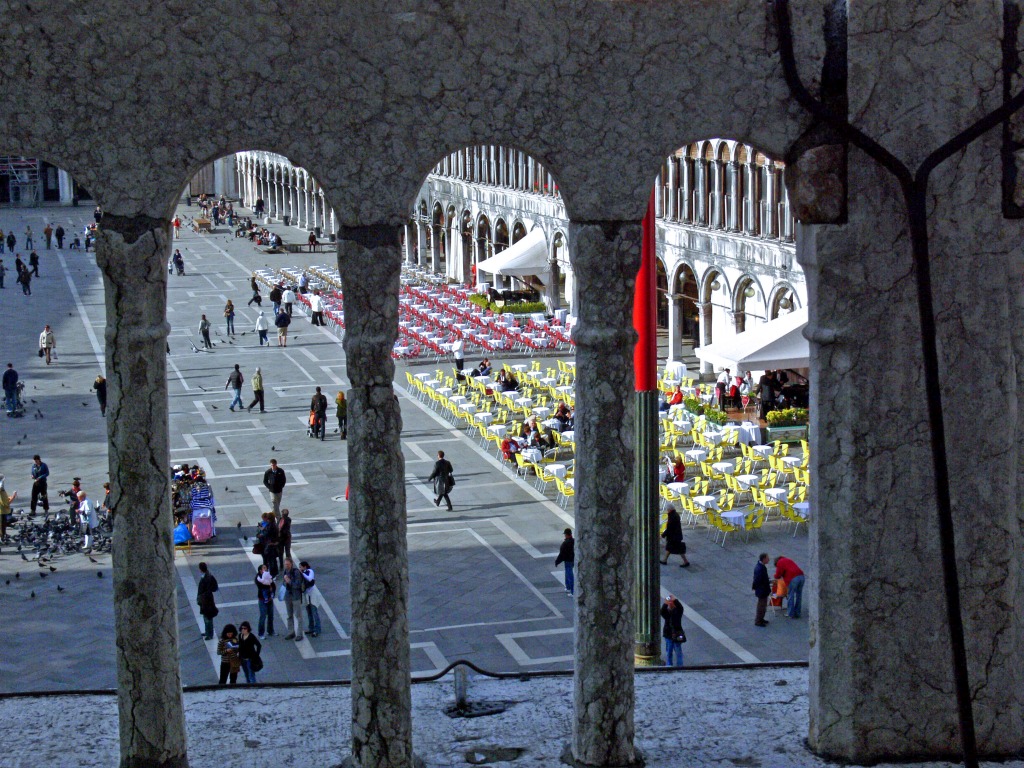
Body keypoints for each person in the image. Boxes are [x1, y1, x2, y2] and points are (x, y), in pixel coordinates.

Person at [773, 555, 806, 619]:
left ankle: (790, 613)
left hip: (793, 579)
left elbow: (778, 575)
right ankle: (798, 613)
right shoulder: (787, 560)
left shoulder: (779, 562)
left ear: (776, 563)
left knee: (791, 595)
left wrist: (775, 576)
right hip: (801, 576)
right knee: (799, 595)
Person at [281, 557, 304, 641]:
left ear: (291, 564)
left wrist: (289, 581)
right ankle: (291, 632)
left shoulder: (296, 572)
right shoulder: (285, 572)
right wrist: (285, 582)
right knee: (289, 615)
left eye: (288, 564)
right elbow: (284, 583)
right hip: (288, 596)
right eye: (285, 564)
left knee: (298, 616)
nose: (286, 566)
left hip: (296, 596)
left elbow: (297, 585)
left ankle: (299, 634)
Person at [660, 594, 685, 667]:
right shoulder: (668, 613)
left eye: (672, 603)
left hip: (675, 634)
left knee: (677, 651)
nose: (670, 604)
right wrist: (666, 602)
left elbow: (680, 607)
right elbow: (662, 611)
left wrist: (674, 600)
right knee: (670, 652)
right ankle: (671, 665)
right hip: (671, 635)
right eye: (669, 603)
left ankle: (675, 665)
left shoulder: (677, 612)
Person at [197, 561, 219, 640]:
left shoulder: (207, 577)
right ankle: (207, 632)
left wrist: (204, 594)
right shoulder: (207, 576)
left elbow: (213, 588)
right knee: (206, 616)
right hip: (206, 599)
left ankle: (210, 634)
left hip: (206, 600)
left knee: (208, 617)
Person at [300, 560, 322, 637]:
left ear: (304, 567)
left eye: (301, 567)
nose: (300, 568)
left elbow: (309, 579)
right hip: (307, 594)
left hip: (312, 594)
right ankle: (311, 628)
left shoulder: (310, 571)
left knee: (314, 612)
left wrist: (302, 574)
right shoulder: (302, 574)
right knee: (309, 612)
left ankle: (317, 629)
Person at [255, 564, 276, 639]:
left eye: (266, 567)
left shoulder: (268, 575)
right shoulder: (258, 577)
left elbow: (273, 585)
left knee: (271, 615)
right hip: (262, 599)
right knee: (263, 616)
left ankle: (270, 630)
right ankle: (261, 633)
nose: (266, 569)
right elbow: (261, 586)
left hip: (270, 598)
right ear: (260, 570)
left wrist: (272, 591)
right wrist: (269, 587)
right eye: (264, 568)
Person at [752, 552, 771, 627]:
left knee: (763, 605)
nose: (768, 559)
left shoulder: (760, 566)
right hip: (762, 590)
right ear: (764, 559)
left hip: (762, 590)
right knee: (761, 606)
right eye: (767, 558)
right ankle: (758, 621)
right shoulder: (760, 568)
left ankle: (761, 619)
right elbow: (758, 580)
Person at [257, 511, 280, 576]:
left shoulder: (271, 526)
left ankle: (273, 573)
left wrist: (261, 534)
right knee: (273, 560)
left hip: (270, 544)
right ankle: (275, 572)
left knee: (271, 560)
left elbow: (266, 534)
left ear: (269, 519)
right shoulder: (273, 524)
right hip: (272, 544)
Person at [554, 528, 575, 597]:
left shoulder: (565, 543)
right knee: (568, 573)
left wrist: (557, 561)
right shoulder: (574, 541)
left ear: (566, 535)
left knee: (569, 575)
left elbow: (561, 554)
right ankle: (568, 587)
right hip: (572, 560)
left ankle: (572, 591)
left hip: (567, 560)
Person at [0, 475, 19, 541]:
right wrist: (13, 496)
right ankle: (2, 537)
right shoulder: (1, 492)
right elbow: (6, 504)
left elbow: (6, 498)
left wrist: (10, 497)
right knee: (2, 525)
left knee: (3, 525)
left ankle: (3, 535)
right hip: (2, 511)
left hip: (2, 511)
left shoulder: (2, 491)